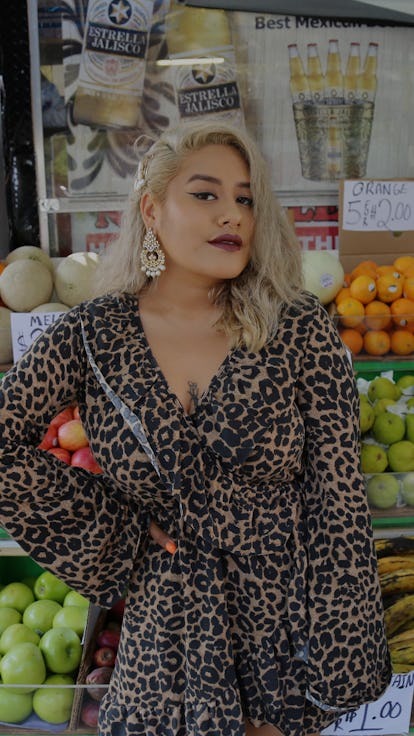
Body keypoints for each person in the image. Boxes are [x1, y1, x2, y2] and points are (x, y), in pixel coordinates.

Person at [0, 120, 391, 736]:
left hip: (281, 636)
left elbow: (337, 502)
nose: (231, 214)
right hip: (163, 642)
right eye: (206, 194)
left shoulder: (296, 329)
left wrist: (327, 675)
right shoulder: (94, 333)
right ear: (152, 210)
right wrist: (118, 529)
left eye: (245, 198)